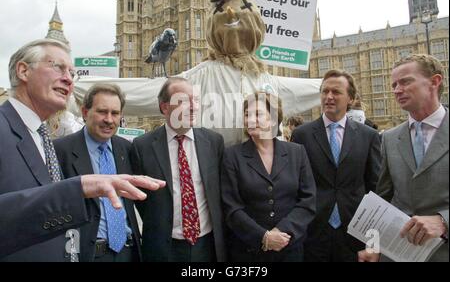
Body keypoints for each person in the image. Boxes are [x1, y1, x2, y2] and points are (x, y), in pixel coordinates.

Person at [0, 39, 165, 261]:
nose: (68, 78)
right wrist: (78, 188)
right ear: (23, 71)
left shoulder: (41, 137)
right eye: (57, 67)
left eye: (71, 72)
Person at [359, 54, 448, 262]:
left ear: (435, 82)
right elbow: (383, 200)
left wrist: (444, 222)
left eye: (406, 82)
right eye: (394, 84)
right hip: (399, 254)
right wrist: (372, 245)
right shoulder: (390, 138)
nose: (397, 90)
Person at [130, 77, 226, 262]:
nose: (192, 107)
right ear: (165, 107)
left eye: (194, 100)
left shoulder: (214, 142)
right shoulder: (142, 146)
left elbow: (220, 192)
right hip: (163, 248)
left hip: (207, 246)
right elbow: (141, 200)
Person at [291, 69, 381, 262]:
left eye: (336, 92)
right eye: (325, 91)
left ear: (351, 98)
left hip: (355, 233)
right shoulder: (301, 135)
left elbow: (376, 192)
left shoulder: (368, 136)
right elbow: (295, 186)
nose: (329, 97)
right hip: (313, 233)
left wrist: (374, 242)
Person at [221, 92, 316, 262]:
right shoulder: (232, 156)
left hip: (289, 250)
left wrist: (283, 232)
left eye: (257, 114)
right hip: (248, 252)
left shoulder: (297, 153)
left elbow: (308, 200)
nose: (250, 120)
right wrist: (263, 237)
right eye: (247, 115)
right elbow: (231, 207)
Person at [54, 84, 142, 262]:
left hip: (128, 252)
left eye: (115, 113)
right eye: (102, 111)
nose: (109, 119)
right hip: (88, 254)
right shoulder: (60, 151)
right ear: (85, 112)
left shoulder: (127, 149)